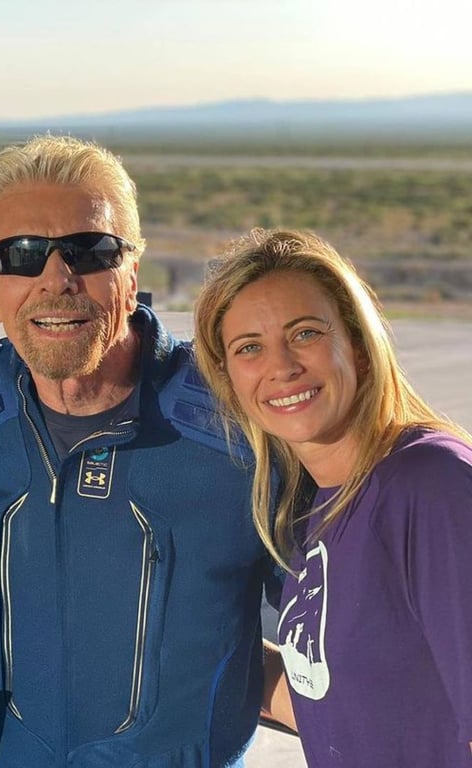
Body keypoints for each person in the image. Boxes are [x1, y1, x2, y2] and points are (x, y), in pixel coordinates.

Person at [0, 135, 274, 768]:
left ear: (132, 272)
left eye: (90, 250)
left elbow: (337, 638)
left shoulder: (240, 432)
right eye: (20, 255)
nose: (57, 279)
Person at [192, 228, 472, 767]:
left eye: (305, 334)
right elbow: (346, 704)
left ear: (360, 347)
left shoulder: (428, 486)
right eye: (249, 347)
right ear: (229, 381)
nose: (282, 366)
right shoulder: (308, 511)